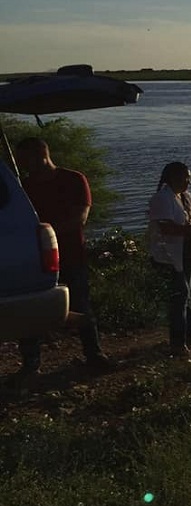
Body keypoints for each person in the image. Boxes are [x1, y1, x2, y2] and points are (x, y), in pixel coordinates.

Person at [13, 137, 113, 377]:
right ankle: (31, 363)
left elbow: (80, 218)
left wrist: (47, 236)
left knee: (80, 305)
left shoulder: (74, 179)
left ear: (40, 154)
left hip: (71, 256)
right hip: (35, 260)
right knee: (31, 309)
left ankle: (94, 353)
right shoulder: (23, 188)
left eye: (24, 157)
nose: (21, 163)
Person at [148, 161, 191, 356]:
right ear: (173, 178)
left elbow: (189, 223)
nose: (189, 181)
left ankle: (189, 332)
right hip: (167, 255)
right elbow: (167, 229)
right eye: (186, 177)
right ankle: (177, 343)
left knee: (186, 295)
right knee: (179, 297)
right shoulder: (161, 199)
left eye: (189, 178)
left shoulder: (185, 197)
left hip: (185, 252)